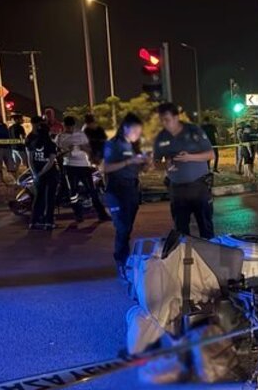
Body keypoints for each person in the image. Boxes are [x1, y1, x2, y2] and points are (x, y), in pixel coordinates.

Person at [153, 103, 216, 238]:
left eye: (167, 120)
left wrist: (190, 157)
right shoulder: (161, 137)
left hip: (199, 187)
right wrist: (165, 165)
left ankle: (209, 251)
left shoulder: (194, 131)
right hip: (177, 189)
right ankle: (184, 252)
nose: (164, 123)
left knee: (206, 227)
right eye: (162, 120)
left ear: (176, 117)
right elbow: (156, 163)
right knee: (181, 231)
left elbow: (211, 154)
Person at [102, 113, 148, 279]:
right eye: (135, 130)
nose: (137, 134)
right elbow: (106, 168)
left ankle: (125, 259)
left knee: (127, 228)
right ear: (125, 128)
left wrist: (146, 163)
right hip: (117, 190)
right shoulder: (113, 144)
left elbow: (139, 170)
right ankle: (121, 261)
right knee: (122, 228)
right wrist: (129, 161)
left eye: (139, 131)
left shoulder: (133, 146)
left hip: (132, 190)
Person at [57, 115, 109, 223]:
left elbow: (88, 148)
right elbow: (58, 154)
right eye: (68, 127)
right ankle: (78, 214)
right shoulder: (60, 137)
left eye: (71, 126)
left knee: (92, 191)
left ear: (74, 125)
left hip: (83, 166)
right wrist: (67, 150)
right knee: (73, 193)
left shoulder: (80, 134)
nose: (70, 129)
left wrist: (85, 149)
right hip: (70, 166)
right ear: (64, 126)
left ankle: (102, 214)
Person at [28, 120, 60, 231]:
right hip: (50, 175)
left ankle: (34, 221)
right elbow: (51, 162)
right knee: (49, 199)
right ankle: (49, 222)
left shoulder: (33, 143)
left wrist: (35, 173)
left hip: (37, 175)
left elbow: (30, 160)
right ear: (48, 132)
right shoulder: (51, 144)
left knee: (38, 198)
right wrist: (42, 173)